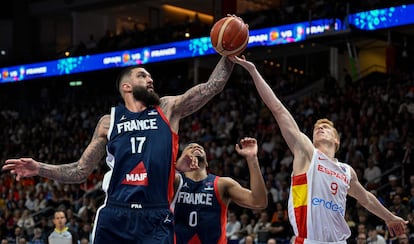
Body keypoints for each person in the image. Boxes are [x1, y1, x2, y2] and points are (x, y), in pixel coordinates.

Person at [2, 56, 235, 243]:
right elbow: (80, 171)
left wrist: (229, 55)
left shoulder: (167, 108)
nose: (150, 79)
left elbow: (211, 87)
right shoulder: (108, 122)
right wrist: (39, 167)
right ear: (127, 86)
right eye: (142, 75)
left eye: (151, 76)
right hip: (115, 214)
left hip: (155, 214)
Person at [230, 55, 408, 243]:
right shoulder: (307, 153)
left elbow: (366, 198)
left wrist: (389, 216)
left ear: (336, 140)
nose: (319, 128)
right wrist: (253, 70)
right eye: (316, 128)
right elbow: (278, 109)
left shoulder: (347, 171)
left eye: (325, 127)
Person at [173, 137, 267, 244]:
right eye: (190, 147)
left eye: (200, 147)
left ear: (207, 162)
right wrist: (177, 167)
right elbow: (152, 184)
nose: (196, 147)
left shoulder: (222, 184)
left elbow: (259, 201)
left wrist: (252, 158)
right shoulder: (175, 181)